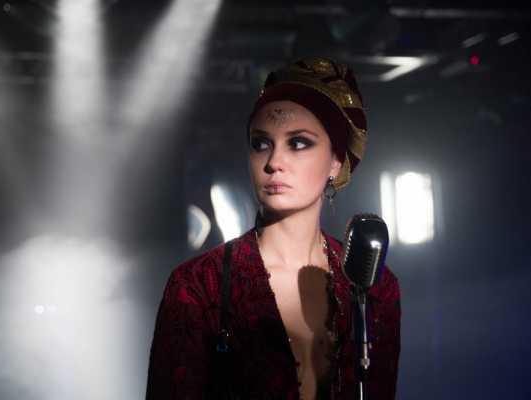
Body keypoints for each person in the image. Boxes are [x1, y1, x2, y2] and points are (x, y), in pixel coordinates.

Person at [145, 58, 401, 400]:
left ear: (336, 161)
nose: (274, 162)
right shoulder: (198, 285)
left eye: (299, 143)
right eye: (261, 143)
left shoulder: (375, 287)